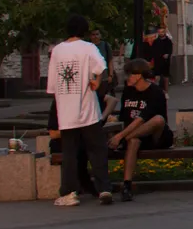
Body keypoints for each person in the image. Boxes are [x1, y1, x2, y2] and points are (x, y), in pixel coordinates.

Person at [47, 14, 112, 207]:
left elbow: (52, 86)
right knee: (97, 150)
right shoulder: (89, 47)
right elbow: (101, 67)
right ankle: (104, 188)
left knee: (70, 153)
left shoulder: (57, 51)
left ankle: (69, 192)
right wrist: (96, 81)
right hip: (88, 109)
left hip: (66, 111)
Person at [109, 58, 174, 202]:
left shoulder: (156, 92)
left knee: (158, 119)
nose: (127, 78)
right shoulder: (128, 91)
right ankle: (127, 185)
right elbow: (125, 117)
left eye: (129, 74)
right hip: (134, 135)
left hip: (156, 135)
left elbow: (142, 119)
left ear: (138, 75)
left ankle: (123, 139)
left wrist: (120, 136)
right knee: (133, 141)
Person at [149, 24, 173, 94]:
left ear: (164, 32)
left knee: (166, 76)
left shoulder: (168, 41)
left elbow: (170, 50)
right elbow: (153, 50)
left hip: (165, 61)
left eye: (162, 32)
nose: (161, 33)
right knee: (157, 76)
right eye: (159, 32)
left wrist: (168, 54)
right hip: (157, 61)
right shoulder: (156, 41)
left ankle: (166, 91)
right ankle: (157, 91)